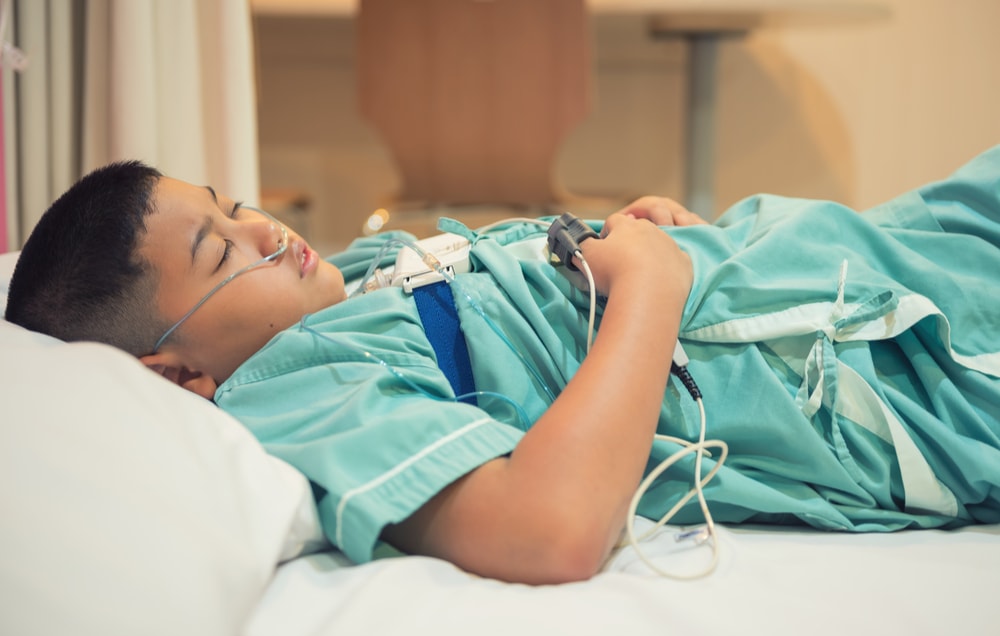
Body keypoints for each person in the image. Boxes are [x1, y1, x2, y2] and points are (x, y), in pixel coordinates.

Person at [6, 147, 1000, 585]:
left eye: (228, 205)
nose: (263, 224)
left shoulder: (349, 281)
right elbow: (548, 528)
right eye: (223, 251)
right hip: (887, 361)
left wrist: (638, 235)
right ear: (176, 376)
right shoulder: (299, 387)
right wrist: (647, 291)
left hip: (816, 258)